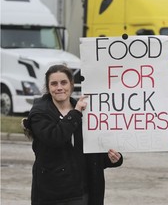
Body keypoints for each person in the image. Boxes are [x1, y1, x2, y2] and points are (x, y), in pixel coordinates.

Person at [22, 64, 123, 205]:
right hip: (51, 194)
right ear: (48, 87)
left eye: (63, 82)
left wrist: (111, 159)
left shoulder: (87, 112)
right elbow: (55, 138)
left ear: (71, 84)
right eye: (54, 83)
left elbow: (88, 154)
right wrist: (75, 114)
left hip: (81, 193)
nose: (59, 87)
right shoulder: (39, 113)